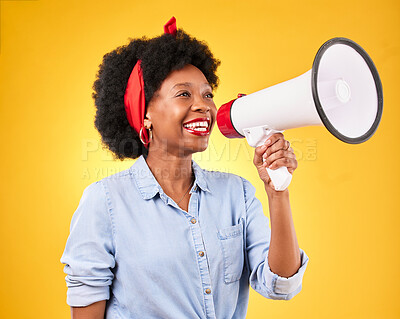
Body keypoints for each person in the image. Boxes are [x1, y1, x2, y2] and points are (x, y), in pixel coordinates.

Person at [60, 17, 309, 319]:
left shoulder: (237, 194)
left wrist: (277, 192)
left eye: (207, 94)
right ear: (146, 112)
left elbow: (282, 285)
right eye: (183, 94)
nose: (204, 105)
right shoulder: (105, 202)